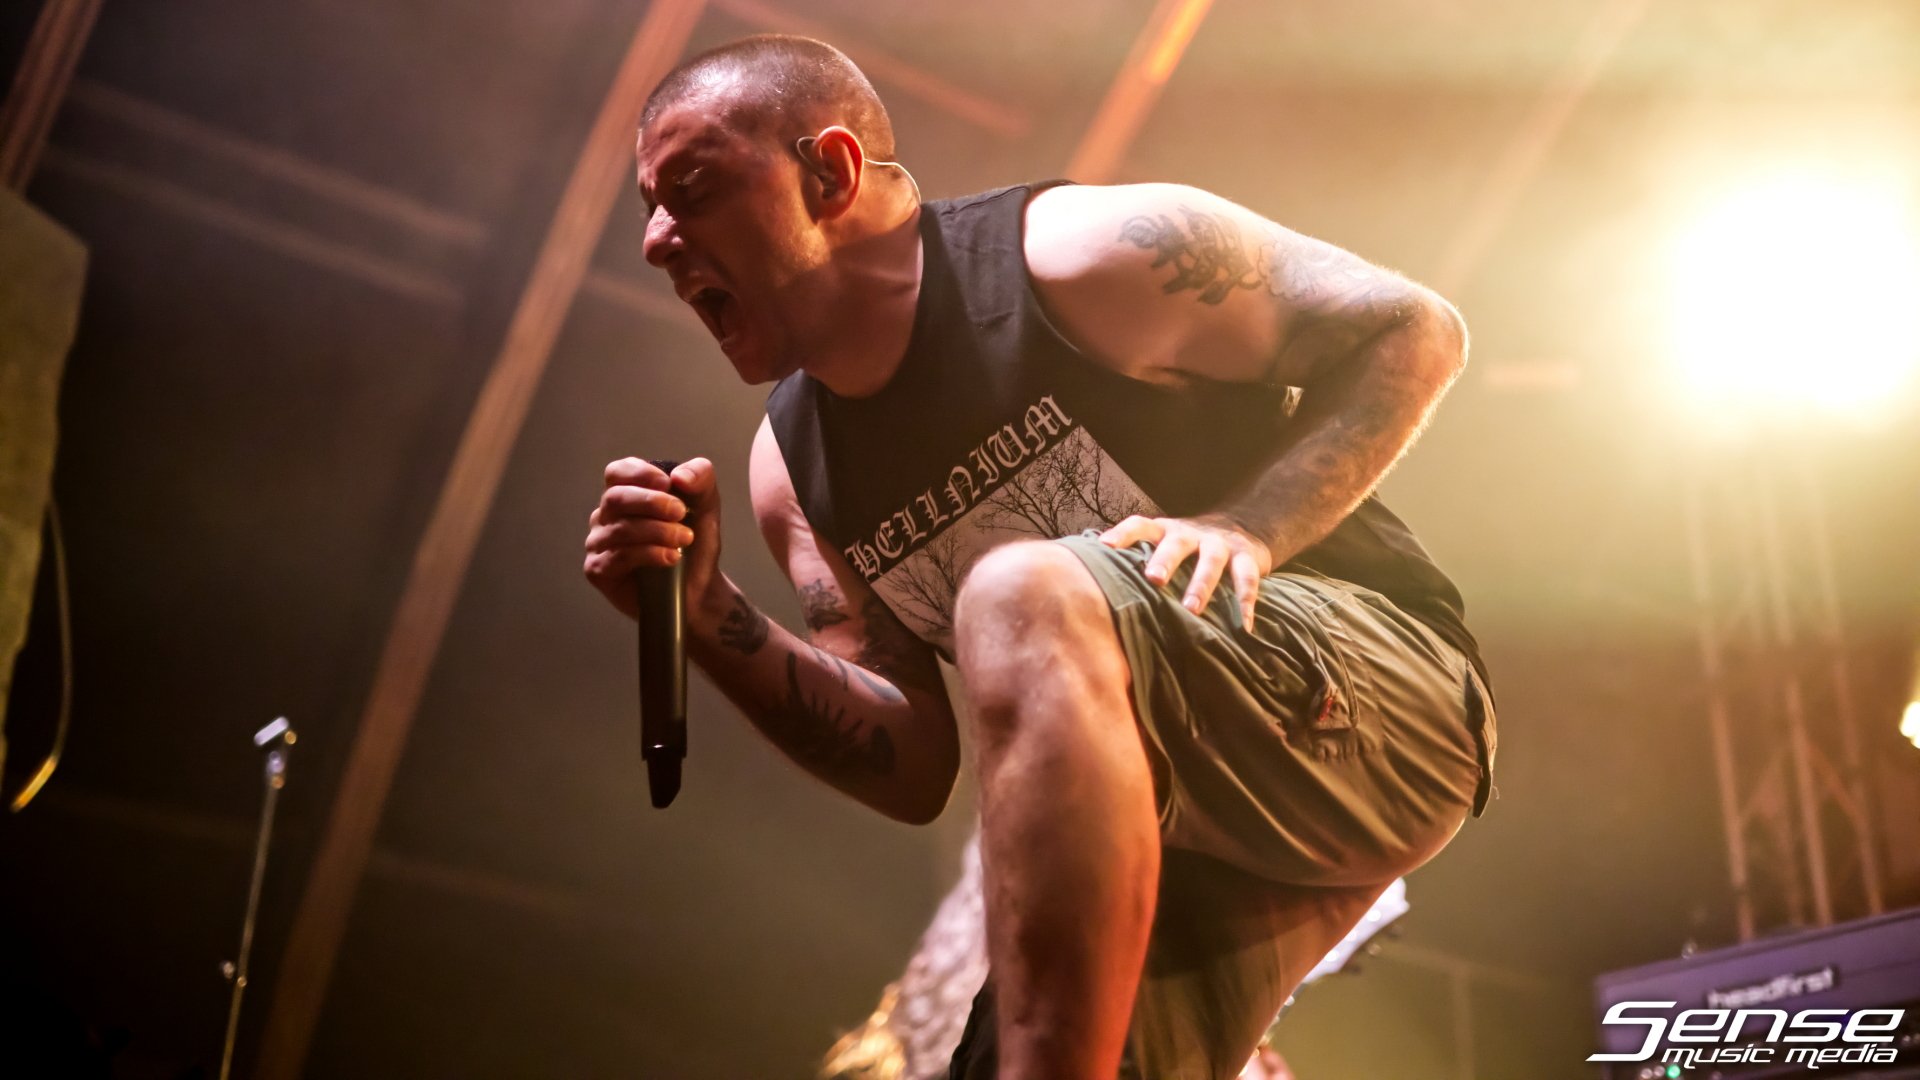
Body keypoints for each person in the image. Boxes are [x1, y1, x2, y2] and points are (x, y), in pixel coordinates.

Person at [583, 34, 1496, 1080]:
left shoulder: (1081, 255)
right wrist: (706, 616)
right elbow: (912, 764)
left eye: (693, 191)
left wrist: (1248, 526)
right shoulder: (790, 473)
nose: (656, 242)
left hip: (1381, 706)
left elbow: (1413, 328)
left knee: (1021, 588)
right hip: (1179, 835)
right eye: (650, 209)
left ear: (830, 172)